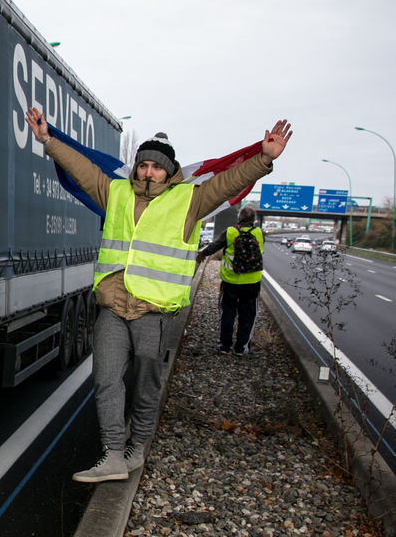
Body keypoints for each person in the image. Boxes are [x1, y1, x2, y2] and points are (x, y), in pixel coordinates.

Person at [22, 107, 292, 483]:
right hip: (113, 305)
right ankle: (113, 454)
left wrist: (263, 159)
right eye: (144, 165)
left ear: (169, 171)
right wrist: (48, 141)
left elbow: (229, 182)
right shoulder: (115, 192)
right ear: (137, 168)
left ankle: (138, 447)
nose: (149, 172)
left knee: (146, 385)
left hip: (154, 309)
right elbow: (82, 170)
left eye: (156, 167)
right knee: (106, 379)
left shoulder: (189, 200)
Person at [197, 205, 264, 355]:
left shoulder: (231, 232)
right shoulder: (259, 233)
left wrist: (202, 253)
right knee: (248, 315)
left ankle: (224, 346)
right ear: (254, 220)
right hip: (252, 282)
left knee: (227, 313)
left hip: (230, 281)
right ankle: (242, 347)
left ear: (239, 218)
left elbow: (214, 246)